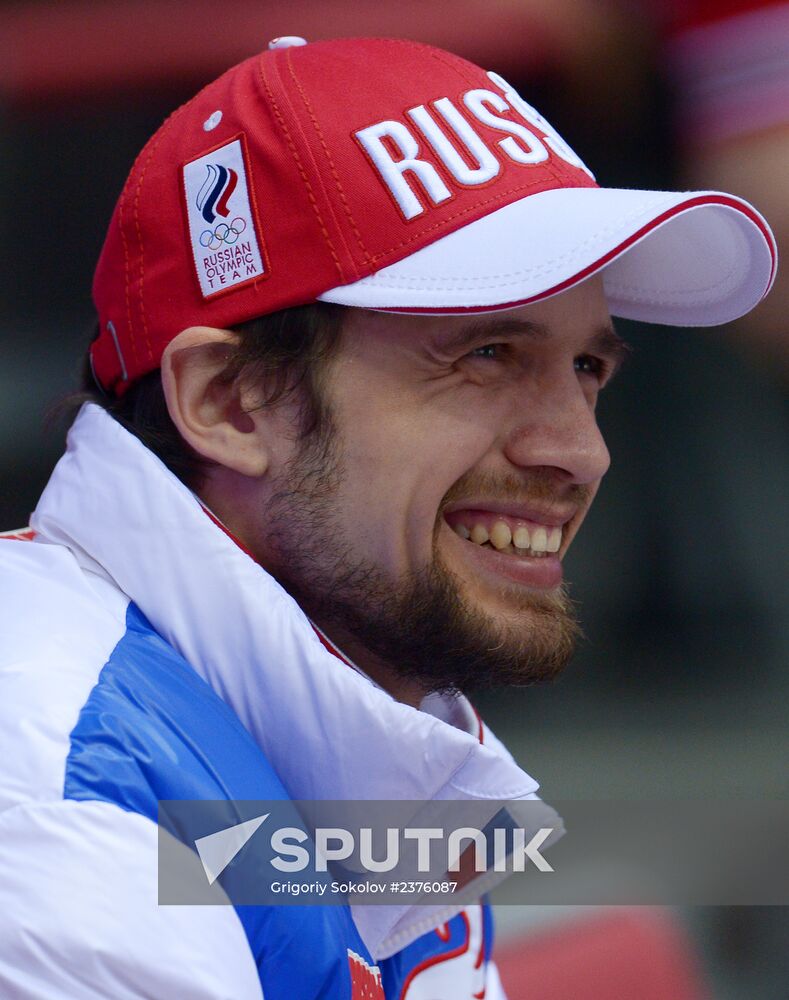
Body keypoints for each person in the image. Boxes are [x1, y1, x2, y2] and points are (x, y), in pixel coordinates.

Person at [0, 34, 775, 1000]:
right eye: (486, 354)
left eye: (585, 368)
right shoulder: (56, 804)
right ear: (232, 402)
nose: (581, 452)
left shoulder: (372, 722)